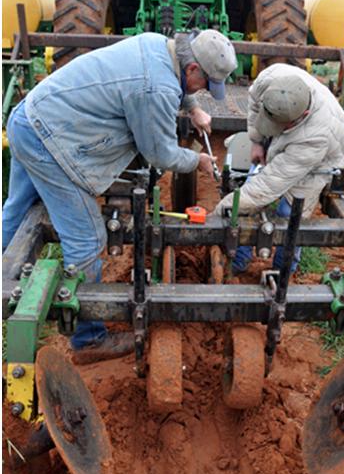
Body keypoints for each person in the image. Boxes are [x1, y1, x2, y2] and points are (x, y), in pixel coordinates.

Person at [3, 29, 237, 361]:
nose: (203, 90)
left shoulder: (159, 44)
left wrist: (193, 107)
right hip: (49, 141)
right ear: (192, 69)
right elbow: (159, 154)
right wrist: (196, 160)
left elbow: (175, 82)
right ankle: (88, 341)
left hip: (29, 117)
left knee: (17, 211)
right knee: (87, 239)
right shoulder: (155, 89)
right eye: (205, 84)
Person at [213, 63, 344, 274]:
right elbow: (254, 105)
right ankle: (238, 262)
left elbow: (266, 188)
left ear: (303, 114)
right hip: (295, 137)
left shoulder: (315, 138)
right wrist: (257, 141)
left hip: (321, 159)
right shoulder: (270, 79)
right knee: (248, 194)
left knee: (289, 214)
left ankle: (283, 272)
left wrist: (221, 210)